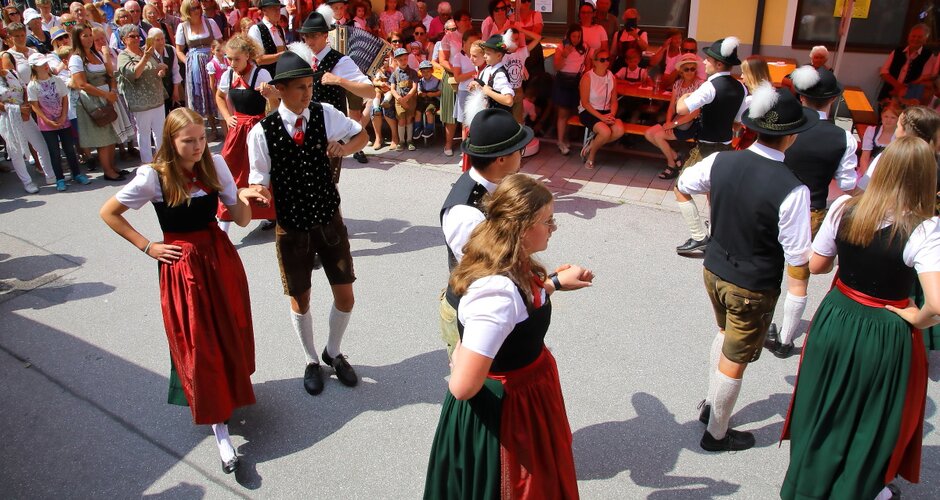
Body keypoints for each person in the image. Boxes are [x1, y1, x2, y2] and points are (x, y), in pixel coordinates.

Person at [100, 107, 267, 476]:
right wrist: (148, 246)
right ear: (171, 141)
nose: (197, 146)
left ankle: (230, 392)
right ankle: (219, 426)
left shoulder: (215, 165)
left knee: (229, 328)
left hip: (219, 259)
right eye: (188, 140)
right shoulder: (154, 176)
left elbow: (239, 220)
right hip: (183, 267)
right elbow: (109, 212)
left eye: (201, 138)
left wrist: (244, 195)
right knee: (197, 340)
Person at [780, 136, 938, 500]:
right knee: (870, 417)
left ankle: (806, 486)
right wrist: (918, 319)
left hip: (836, 316)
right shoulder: (925, 229)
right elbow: (937, 304)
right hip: (884, 328)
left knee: (822, 403)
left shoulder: (843, 208)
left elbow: (817, 265)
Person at [426, 166, 594, 498]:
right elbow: (462, 386)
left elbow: (520, 307)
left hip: (528, 396)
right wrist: (460, 353)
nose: (553, 228)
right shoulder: (495, 295)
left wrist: (555, 283)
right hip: (508, 412)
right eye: (548, 221)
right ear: (522, 227)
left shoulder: (510, 260)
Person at [678, 84, 815, 452]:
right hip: (752, 282)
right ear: (790, 137)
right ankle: (716, 433)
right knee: (736, 359)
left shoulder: (722, 161)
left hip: (714, 267)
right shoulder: (793, 189)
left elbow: (684, 183)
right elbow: (797, 256)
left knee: (724, 333)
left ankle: (712, 405)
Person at [247, 47, 369, 396]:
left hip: (329, 219)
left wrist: (346, 148)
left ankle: (333, 351)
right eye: (300, 87)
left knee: (346, 296)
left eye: (310, 86)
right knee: (300, 300)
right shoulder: (262, 132)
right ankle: (311, 359)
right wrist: (257, 193)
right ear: (280, 89)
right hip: (292, 227)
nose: (307, 92)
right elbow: (259, 178)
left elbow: (361, 134)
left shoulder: (325, 114)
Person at [763, 65, 860, 359]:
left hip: (773, 201)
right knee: (798, 276)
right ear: (833, 100)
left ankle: (761, 324)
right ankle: (785, 340)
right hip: (811, 208)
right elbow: (847, 183)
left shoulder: (783, 125)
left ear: (801, 96)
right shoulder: (844, 138)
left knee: (766, 264)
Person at [672, 36, 747, 255]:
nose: (704, 62)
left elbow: (682, 110)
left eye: (708, 59)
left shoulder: (710, 87)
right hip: (726, 148)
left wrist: (683, 97)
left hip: (706, 148)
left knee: (680, 187)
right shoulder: (741, 87)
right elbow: (738, 121)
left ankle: (698, 237)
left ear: (719, 64)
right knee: (713, 191)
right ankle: (716, 234)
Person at [296, 7, 375, 174]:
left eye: (314, 36)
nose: (309, 41)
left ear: (325, 35)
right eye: (306, 36)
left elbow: (370, 91)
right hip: (304, 130)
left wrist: (339, 80)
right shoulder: (304, 58)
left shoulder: (341, 61)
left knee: (327, 183)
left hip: (329, 133)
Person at [214, 32, 278, 234]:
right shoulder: (228, 75)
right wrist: (227, 117)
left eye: (236, 59)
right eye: (229, 59)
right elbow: (219, 96)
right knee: (229, 173)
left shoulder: (261, 74)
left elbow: (276, 105)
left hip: (258, 130)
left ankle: (270, 213)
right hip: (236, 131)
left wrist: (271, 95)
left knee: (261, 172)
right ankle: (224, 219)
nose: (232, 63)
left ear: (248, 56)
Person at [27, 52, 87, 192]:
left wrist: (63, 115)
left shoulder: (57, 80)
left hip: (63, 121)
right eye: (41, 64)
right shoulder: (32, 85)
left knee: (70, 149)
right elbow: (35, 106)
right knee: (54, 152)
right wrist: (47, 120)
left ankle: (77, 174)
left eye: (45, 63)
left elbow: (64, 98)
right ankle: (59, 178)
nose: (45, 66)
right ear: (34, 67)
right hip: (47, 125)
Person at [644, 53, 702, 177]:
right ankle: (676, 157)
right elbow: (671, 107)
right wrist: (668, 122)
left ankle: (671, 165)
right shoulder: (677, 84)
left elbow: (695, 112)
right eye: (686, 69)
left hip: (692, 123)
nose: (690, 72)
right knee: (648, 133)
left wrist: (672, 124)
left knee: (658, 136)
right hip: (678, 120)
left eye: (692, 69)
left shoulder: (699, 85)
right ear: (681, 71)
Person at [117, 23, 168, 163]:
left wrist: (160, 71)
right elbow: (134, 74)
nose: (136, 38)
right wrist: (145, 57)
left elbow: (155, 68)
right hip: (141, 102)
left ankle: (163, 161)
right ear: (123, 39)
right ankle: (147, 163)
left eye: (137, 36)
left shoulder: (146, 51)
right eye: (131, 36)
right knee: (144, 133)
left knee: (160, 132)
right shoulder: (123, 56)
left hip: (157, 98)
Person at [859, 105, 940, 191]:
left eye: (897, 126)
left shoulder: (890, 155)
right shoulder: (934, 161)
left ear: (905, 132)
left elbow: (862, 189)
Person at [176, 0, 222, 140]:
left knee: (213, 91)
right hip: (194, 66)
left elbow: (220, 42)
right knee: (199, 95)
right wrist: (189, 62)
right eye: (194, 8)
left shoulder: (210, 23)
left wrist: (217, 58)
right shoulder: (183, 27)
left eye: (198, 7)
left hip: (211, 61)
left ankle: (216, 126)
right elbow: (179, 50)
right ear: (187, 11)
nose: (198, 10)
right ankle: (202, 130)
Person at [578, 49, 623, 169]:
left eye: (608, 59)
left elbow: (614, 101)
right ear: (595, 62)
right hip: (589, 111)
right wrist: (602, 118)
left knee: (619, 130)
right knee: (605, 132)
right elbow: (585, 103)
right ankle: (591, 156)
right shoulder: (587, 77)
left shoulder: (611, 77)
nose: (606, 62)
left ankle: (592, 144)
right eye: (602, 60)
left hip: (606, 111)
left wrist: (612, 114)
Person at [436, 10, 470, 156]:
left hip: (469, 76)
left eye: (469, 19)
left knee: (467, 111)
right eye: (464, 19)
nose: (467, 22)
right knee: (451, 111)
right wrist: (456, 71)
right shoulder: (448, 37)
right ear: (457, 21)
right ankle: (448, 144)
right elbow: (442, 60)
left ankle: (466, 145)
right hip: (451, 75)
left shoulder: (473, 35)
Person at [879, 23, 937, 102]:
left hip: (911, 96)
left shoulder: (928, 55)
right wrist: (898, 86)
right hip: (889, 93)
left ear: (925, 40)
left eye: (920, 37)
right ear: (908, 37)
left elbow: (923, 78)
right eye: (913, 36)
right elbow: (884, 72)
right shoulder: (897, 51)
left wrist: (905, 88)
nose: (915, 39)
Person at [553, 24, 587, 156]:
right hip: (563, 81)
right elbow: (556, 67)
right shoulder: (561, 47)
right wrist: (564, 55)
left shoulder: (584, 47)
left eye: (579, 36)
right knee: (563, 113)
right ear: (568, 36)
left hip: (577, 81)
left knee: (572, 113)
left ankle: (566, 137)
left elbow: (587, 64)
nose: (576, 39)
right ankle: (560, 141)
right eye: (573, 36)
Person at [472, 34, 513, 113]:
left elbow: (508, 100)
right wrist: (478, 85)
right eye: (484, 53)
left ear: (499, 55)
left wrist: (488, 92)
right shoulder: (488, 69)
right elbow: (486, 86)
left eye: (488, 54)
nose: (484, 56)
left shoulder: (500, 75)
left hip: (497, 117)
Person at [860, 100, 901, 176]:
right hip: (870, 171)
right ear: (881, 116)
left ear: (899, 119)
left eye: (893, 118)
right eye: (886, 116)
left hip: (890, 173)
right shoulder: (872, 131)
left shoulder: (900, 136)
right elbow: (865, 157)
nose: (888, 120)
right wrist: (865, 176)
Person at [389, 46, 417, 150]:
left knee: (409, 119)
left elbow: (414, 87)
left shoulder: (413, 73)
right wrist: (399, 98)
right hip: (399, 101)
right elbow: (392, 89)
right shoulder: (394, 74)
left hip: (410, 100)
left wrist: (407, 97)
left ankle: (409, 140)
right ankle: (401, 141)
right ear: (396, 61)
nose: (403, 61)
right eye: (400, 60)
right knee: (401, 120)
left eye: (405, 59)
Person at [247, 0, 286, 77]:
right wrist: (281, 55)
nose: (278, 11)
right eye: (274, 8)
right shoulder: (255, 29)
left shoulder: (280, 29)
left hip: (281, 76)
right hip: (264, 78)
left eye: (279, 9)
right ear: (264, 10)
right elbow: (258, 59)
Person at [610, 7, 647, 74]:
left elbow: (644, 48)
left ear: (637, 20)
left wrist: (636, 36)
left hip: (637, 65)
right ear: (624, 20)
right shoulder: (618, 34)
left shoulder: (642, 33)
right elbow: (613, 54)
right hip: (620, 65)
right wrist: (609, 68)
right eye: (628, 19)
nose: (630, 21)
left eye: (633, 20)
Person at [414, 59, 439, 139]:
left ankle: (429, 128)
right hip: (423, 100)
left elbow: (440, 92)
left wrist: (434, 94)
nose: (426, 73)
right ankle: (417, 128)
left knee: (429, 111)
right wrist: (421, 93)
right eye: (423, 72)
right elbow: (418, 91)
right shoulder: (420, 81)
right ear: (421, 72)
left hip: (433, 100)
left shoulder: (437, 81)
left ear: (432, 71)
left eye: (428, 71)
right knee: (417, 111)